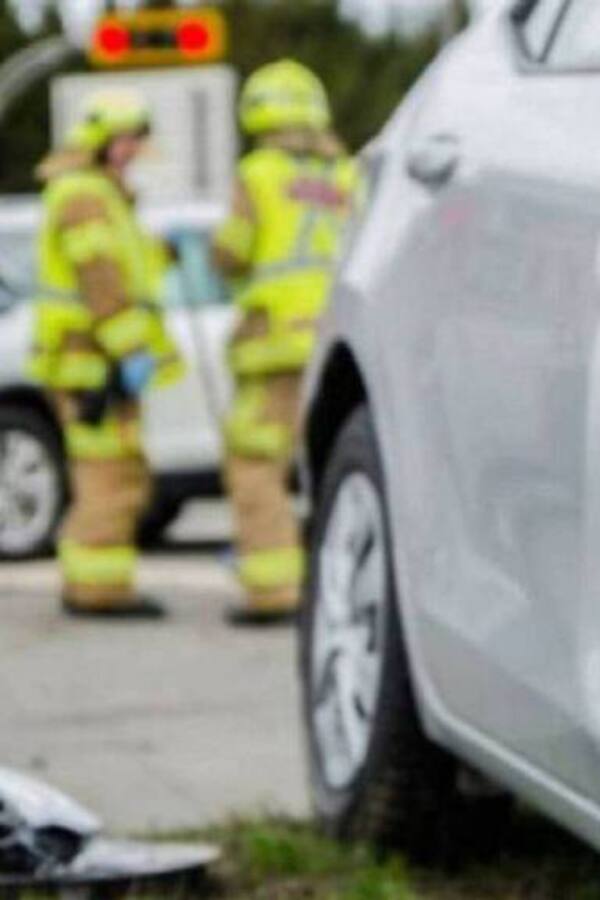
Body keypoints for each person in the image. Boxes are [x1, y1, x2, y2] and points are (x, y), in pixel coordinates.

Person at [212, 60, 359, 624]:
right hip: (334, 341)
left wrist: (210, 252)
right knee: (327, 467)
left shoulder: (259, 173)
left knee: (254, 464)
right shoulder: (345, 174)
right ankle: (334, 588)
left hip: (273, 344)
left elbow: (233, 251)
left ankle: (273, 589)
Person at [29, 91, 182, 618]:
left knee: (109, 473)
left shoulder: (97, 194)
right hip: (91, 364)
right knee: (108, 477)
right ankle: (99, 588)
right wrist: (130, 350)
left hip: (92, 363)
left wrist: (164, 252)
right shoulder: (86, 195)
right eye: (126, 141)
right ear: (101, 142)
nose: (133, 152)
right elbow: (101, 279)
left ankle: (89, 581)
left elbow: (121, 268)